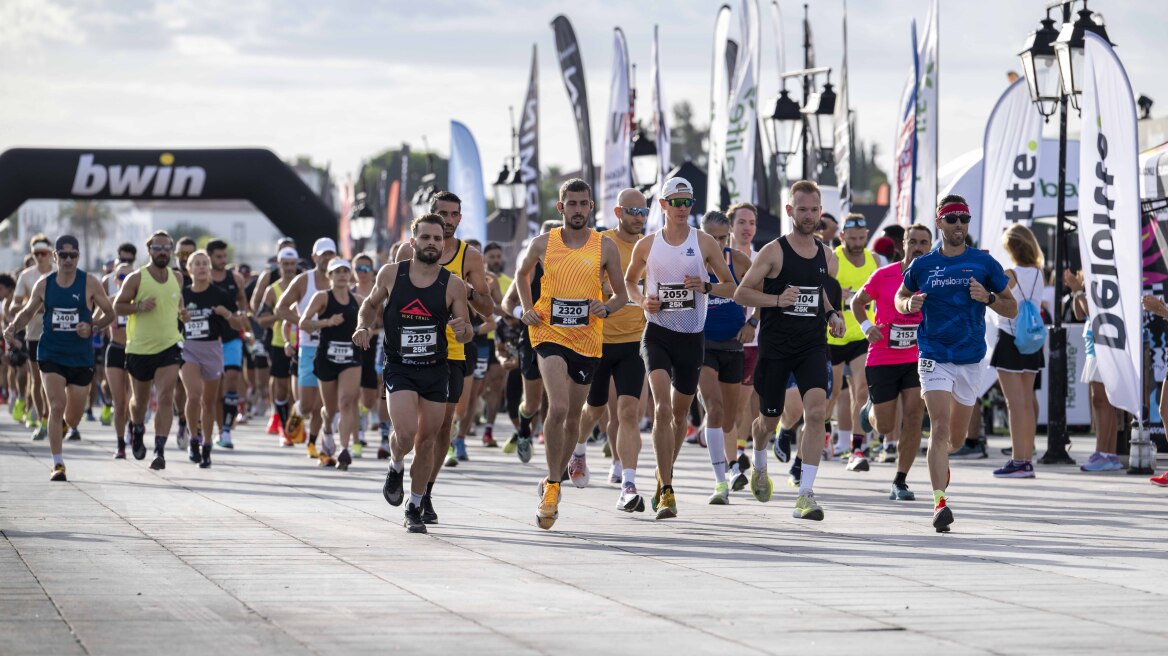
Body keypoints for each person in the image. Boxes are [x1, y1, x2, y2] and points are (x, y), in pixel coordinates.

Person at [896, 195, 1016, 532]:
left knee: (957, 439)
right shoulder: (923, 265)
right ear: (940, 224)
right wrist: (908, 305)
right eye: (952, 219)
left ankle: (944, 465)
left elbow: (1012, 307)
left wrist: (989, 298)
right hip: (933, 354)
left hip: (970, 357)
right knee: (939, 426)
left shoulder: (983, 263)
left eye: (964, 218)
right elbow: (900, 296)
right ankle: (939, 502)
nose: (959, 224)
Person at [517, 179, 628, 529]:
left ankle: (556, 479)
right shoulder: (542, 244)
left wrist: (605, 308)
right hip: (548, 332)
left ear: (591, 207)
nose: (578, 209)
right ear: (560, 208)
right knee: (560, 406)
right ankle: (551, 486)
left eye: (584, 204)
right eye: (572, 203)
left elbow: (622, 296)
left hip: (587, 339)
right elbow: (521, 275)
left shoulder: (604, 247)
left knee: (572, 418)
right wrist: (526, 308)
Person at [623, 177, 735, 520]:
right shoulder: (647, 244)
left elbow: (731, 287)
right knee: (660, 409)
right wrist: (643, 301)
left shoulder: (703, 242)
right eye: (677, 202)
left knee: (678, 415)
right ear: (663, 204)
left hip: (691, 338)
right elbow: (629, 281)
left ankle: (661, 478)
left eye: (688, 201)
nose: (683, 208)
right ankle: (668, 491)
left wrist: (705, 285)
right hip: (657, 333)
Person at [734, 180, 846, 521]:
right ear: (789, 211)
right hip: (776, 347)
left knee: (815, 414)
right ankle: (760, 461)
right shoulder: (773, 251)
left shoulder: (827, 255)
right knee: (767, 421)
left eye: (814, 210)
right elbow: (741, 294)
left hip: (812, 345)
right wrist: (776, 300)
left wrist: (833, 315)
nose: (809, 216)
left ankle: (805, 494)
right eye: (802, 210)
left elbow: (823, 293)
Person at [358, 214, 472, 533]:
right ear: (413, 242)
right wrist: (362, 325)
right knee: (406, 434)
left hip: (437, 368)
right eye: (426, 238)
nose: (432, 243)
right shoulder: (392, 274)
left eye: (438, 238)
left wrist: (462, 330)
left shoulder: (453, 284)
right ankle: (395, 465)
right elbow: (368, 304)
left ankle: (414, 505)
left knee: (427, 442)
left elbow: (465, 332)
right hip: (401, 367)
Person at [393, 192, 494, 520]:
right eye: (442, 214)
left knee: (440, 426)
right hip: (411, 350)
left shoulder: (470, 256)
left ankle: (424, 494)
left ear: (460, 219)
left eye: (454, 215)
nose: (448, 220)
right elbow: (396, 297)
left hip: (453, 347)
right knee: (411, 430)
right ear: (431, 215)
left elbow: (488, 308)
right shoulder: (409, 250)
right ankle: (399, 468)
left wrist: (466, 291)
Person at [3, 236, 114, 481]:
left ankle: (63, 427)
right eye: (62, 255)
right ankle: (58, 463)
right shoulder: (44, 284)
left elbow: (110, 313)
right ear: (55, 257)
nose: (67, 260)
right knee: (55, 405)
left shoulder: (90, 283)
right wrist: (12, 327)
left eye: (72, 255)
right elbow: (27, 312)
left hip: (80, 357)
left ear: (78, 257)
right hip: (51, 353)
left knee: (73, 418)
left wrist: (92, 326)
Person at [574, 188, 647, 510]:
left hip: (637, 341)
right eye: (632, 211)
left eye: (643, 211)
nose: (638, 217)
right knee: (595, 409)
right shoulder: (600, 243)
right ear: (618, 213)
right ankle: (577, 452)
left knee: (629, 412)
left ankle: (628, 483)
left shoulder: (652, 246)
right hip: (599, 340)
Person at [851, 224, 932, 500]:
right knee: (885, 427)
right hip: (883, 357)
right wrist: (866, 327)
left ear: (930, 247)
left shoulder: (934, 278)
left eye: (924, 242)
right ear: (903, 245)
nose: (918, 247)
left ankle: (900, 480)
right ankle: (870, 409)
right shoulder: (884, 275)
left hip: (917, 358)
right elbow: (856, 302)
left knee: (913, 417)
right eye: (913, 242)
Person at [114, 231, 186, 470]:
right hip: (140, 348)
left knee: (166, 396)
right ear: (149, 251)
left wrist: (183, 314)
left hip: (169, 345)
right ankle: (136, 428)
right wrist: (138, 307)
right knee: (140, 400)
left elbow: (179, 305)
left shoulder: (178, 277)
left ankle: (160, 449)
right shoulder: (136, 278)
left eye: (167, 247)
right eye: (158, 247)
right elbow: (118, 306)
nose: (163, 251)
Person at [696, 210, 752, 504]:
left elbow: (762, 294)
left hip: (733, 344)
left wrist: (751, 323)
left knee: (730, 418)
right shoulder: (691, 260)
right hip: (702, 343)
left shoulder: (738, 261)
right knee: (714, 410)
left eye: (722, 237)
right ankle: (720, 482)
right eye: (711, 237)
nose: (717, 244)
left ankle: (731, 467)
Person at [990, 224, 1046, 478]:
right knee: (1025, 403)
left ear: (1011, 248)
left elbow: (995, 299)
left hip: (1011, 338)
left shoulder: (1010, 273)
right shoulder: (1038, 273)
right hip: (1032, 341)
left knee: (1015, 405)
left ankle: (1018, 460)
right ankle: (1026, 460)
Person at [825, 213, 879, 471]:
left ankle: (857, 448)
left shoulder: (875, 260)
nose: (857, 243)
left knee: (862, 389)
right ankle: (824, 433)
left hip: (861, 335)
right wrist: (837, 294)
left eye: (861, 237)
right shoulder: (833, 258)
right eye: (852, 238)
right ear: (843, 236)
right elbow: (819, 290)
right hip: (833, 335)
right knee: (832, 393)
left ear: (866, 235)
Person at [275, 238, 337, 459]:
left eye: (331, 254)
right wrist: (303, 321)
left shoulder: (340, 279)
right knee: (309, 404)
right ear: (314, 257)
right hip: (309, 347)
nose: (327, 258)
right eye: (323, 254)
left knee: (324, 403)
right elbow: (280, 308)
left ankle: (316, 441)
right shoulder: (304, 281)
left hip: (333, 348)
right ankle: (298, 411)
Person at [179, 250, 240, 468]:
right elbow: (171, 322)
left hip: (213, 349)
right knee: (194, 395)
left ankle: (206, 444)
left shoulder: (220, 294)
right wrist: (180, 317)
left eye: (205, 263)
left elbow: (239, 324)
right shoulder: (182, 295)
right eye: (198, 264)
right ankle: (193, 439)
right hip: (189, 349)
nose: (203, 267)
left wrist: (226, 314)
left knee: (209, 401)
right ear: (190, 269)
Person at [300, 258, 362, 470]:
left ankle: (344, 449)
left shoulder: (358, 300)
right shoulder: (322, 297)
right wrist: (326, 322)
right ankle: (327, 430)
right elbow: (303, 323)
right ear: (330, 276)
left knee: (346, 402)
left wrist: (366, 330)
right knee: (330, 408)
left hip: (351, 358)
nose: (342, 275)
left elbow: (374, 320)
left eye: (346, 271)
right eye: (337, 272)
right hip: (326, 358)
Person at [1068, 270, 1121, 472]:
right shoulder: (1090, 276)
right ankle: (1108, 454)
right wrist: (1076, 293)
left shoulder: (1105, 277)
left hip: (1104, 345)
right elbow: (1079, 313)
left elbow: (1094, 313)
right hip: (1093, 345)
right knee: (1100, 401)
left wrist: (1077, 291)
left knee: (1101, 401)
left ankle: (1105, 453)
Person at [727, 202, 760, 488]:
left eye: (751, 223)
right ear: (731, 226)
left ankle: (737, 448)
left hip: (755, 339)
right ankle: (731, 455)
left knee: (744, 402)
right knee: (727, 404)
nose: (747, 228)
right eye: (742, 222)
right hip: (722, 339)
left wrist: (752, 324)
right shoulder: (718, 257)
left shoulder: (762, 257)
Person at [256, 247, 301, 446]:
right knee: (282, 388)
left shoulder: (304, 285)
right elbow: (261, 319)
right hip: (279, 343)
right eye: (286, 264)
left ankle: (294, 426)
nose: (289, 268)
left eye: (292, 264)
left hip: (304, 342)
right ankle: (285, 427)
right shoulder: (272, 290)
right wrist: (279, 315)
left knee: (298, 390)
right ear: (279, 265)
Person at [13, 234, 56, 441]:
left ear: (51, 254)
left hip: (58, 335)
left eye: (43, 253)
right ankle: (42, 421)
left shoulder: (60, 273)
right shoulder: (26, 276)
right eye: (36, 253)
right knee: (37, 381)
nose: (39, 257)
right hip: (34, 335)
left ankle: (57, 419)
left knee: (57, 381)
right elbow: (13, 306)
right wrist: (33, 305)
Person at [206, 239, 248, 449]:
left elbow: (243, 304)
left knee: (232, 380)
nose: (222, 260)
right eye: (218, 257)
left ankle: (226, 430)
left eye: (224, 256)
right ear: (210, 257)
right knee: (216, 389)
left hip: (232, 337)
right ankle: (218, 428)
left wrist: (244, 322)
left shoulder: (236, 278)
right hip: (210, 340)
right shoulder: (204, 277)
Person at [102, 262, 134, 458]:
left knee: (134, 400)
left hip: (136, 351)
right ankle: (120, 443)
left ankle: (134, 428)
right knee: (119, 402)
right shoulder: (110, 301)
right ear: (115, 280)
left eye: (130, 277)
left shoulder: (141, 301)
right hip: (115, 350)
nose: (125, 281)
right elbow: (94, 320)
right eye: (121, 277)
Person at [353, 252, 382, 457]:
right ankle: (359, 431)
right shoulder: (349, 292)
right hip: (354, 346)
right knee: (353, 391)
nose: (362, 273)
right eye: (358, 269)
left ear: (372, 271)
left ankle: (365, 413)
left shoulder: (379, 291)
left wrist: (373, 331)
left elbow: (385, 323)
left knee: (369, 398)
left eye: (366, 269)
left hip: (375, 345)